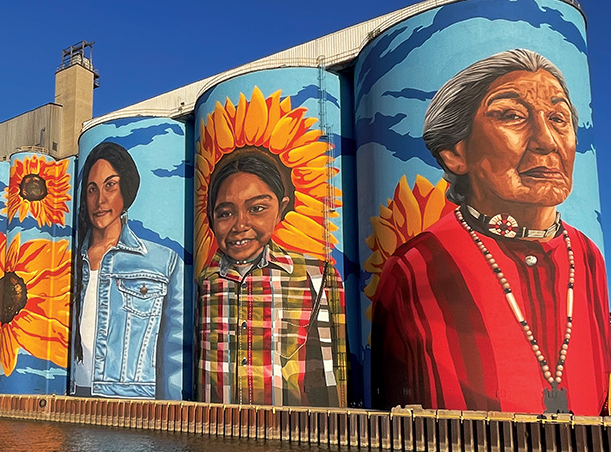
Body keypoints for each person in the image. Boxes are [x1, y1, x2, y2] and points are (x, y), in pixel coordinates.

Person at [371, 49, 611, 415]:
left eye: (559, 118)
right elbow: (390, 410)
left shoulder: (587, 255)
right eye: (512, 116)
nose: (547, 141)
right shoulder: (416, 264)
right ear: (455, 153)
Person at [196, 152, 346, 407]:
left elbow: (330, 373)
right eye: (225, 213)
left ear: (281, 208)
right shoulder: (204, 283)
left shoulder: (316, 276)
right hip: (217, 433)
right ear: (210, 217)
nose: (240, 224)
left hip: (291, 435)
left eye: (257, 209)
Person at [70, 141, 185, 399]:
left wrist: (168, 415)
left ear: (127, 189)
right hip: (74, 399)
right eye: (92, 189)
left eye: (110, 185)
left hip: (133, 401)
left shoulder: (163, 261)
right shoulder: (70, 262)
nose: (100, 200)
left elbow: (174, 351)